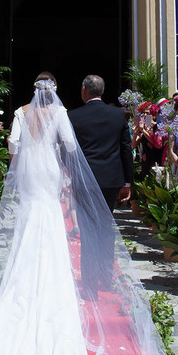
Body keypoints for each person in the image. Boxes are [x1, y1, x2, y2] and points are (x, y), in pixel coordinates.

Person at [0, 76, 178, 355]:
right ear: (55, 92)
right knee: (51, 225)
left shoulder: (21, 112)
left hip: (30, 174)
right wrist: (63, 165)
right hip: (49, 171)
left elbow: (13, 146)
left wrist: (23, 162)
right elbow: (71, 148)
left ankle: (25, 281)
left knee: (28, 226)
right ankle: (59, 279)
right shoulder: (60, 114)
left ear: (34, 90)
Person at [69, 74, 134, 296]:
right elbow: (126, 149)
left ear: (84, 90)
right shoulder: (117, 115)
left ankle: (89, 286)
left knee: (88, 230)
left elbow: (69, 151)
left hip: (85, 180)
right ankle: (105, 279)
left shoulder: (74, 116)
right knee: (106, 228)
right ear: (102, 91)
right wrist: (127, 182)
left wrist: (70, 175)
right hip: (111, 180)